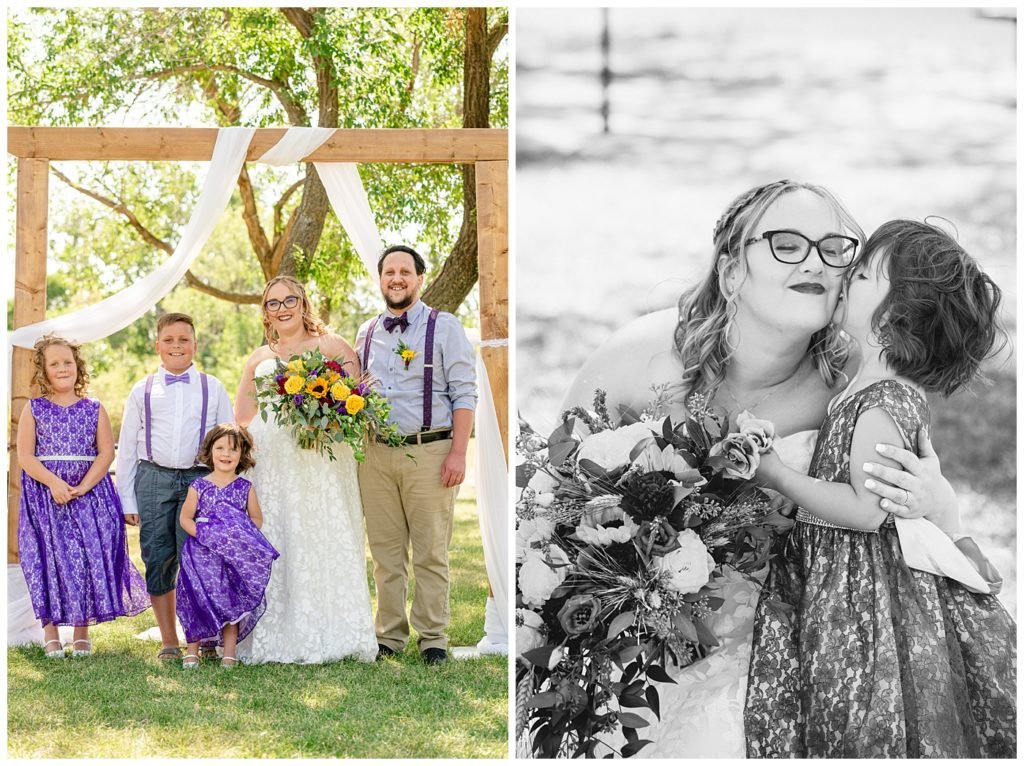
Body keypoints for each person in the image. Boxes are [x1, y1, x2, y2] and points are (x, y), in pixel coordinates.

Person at [559, 181, 960, 757]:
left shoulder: (863, 381)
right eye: (787, 244)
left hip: (792, 655)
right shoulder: (636, 359)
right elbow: (550, 492)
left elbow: (915, 509)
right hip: (634, 656)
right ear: (730, 272)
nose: (817, 262)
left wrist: (936, 500)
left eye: (834, 247)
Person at [744, 219, 1015, 757]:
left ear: (894, 316)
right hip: (845, 577)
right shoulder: (866, 390)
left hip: (860, 591)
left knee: (861, 708)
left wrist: (776, 473)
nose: (847, 276)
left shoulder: (882, 402)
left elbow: (866, 512)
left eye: (864, 273)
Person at [234, 275, 377, 664]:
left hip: (319, 460)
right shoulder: (259, 357)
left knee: (321, 534)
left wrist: (324, 420)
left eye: (288, 300)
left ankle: (333, 629)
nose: (282, 308)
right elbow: (243, 416)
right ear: (265, 312)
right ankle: (274, 629)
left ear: (303, 302)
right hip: (272, 463)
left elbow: (358, 403)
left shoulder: (331, 346)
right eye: (273, 303)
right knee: (279, 535)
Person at [356, 245, 477, 666]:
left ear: (419, 279)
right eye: (389, 272)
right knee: (386, 554)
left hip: (430, 451)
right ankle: (389, 634)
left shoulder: (445, 328)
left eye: (405, 271)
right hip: (374, 454)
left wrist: (458, 453)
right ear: (381, 279)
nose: (396, 278)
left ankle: (433, 638)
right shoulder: (366, 332)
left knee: (430, 551)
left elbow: (464, 393)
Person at [17, 335, 149, 658]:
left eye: (68, 362)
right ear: (43, 371)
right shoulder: (33, 410)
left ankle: (81, 632)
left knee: (85, 560)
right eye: (54, 364)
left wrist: (85, 485)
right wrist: (54, 484)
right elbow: (26, 457)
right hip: (46, 497)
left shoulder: (94, 408)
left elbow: (106, 453)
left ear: (78, 366)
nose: (63, 368)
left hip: (89, 495)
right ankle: (50, 633)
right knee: (49, 559)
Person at [116, 312, 234, 663]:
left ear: (195, 345)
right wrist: (127, 499)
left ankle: (203, 634)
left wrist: (227, 491)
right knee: (157, 555)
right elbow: (127, 448)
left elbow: (229, 440)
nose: (177, 346)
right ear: (157, 346)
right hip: (153, 478)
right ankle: (169, 639)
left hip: (200, 479)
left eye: (184, 339)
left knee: (200, 557)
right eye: (169, 340)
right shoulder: (143, 390)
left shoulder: (213, 388)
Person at [176, 424, 279, 669]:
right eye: (220, 447)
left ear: (242, 454)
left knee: (231, 600)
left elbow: (256, 518)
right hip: (201, 554)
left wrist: (239, 535)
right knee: (197, 598)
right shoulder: (199, 486)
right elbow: (185, 518)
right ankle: (193, 650)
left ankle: (229, 652)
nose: (226, 454)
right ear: (210, 451)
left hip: (232, 556)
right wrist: (202, 533)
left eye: (233, 449)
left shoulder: (245, 488)